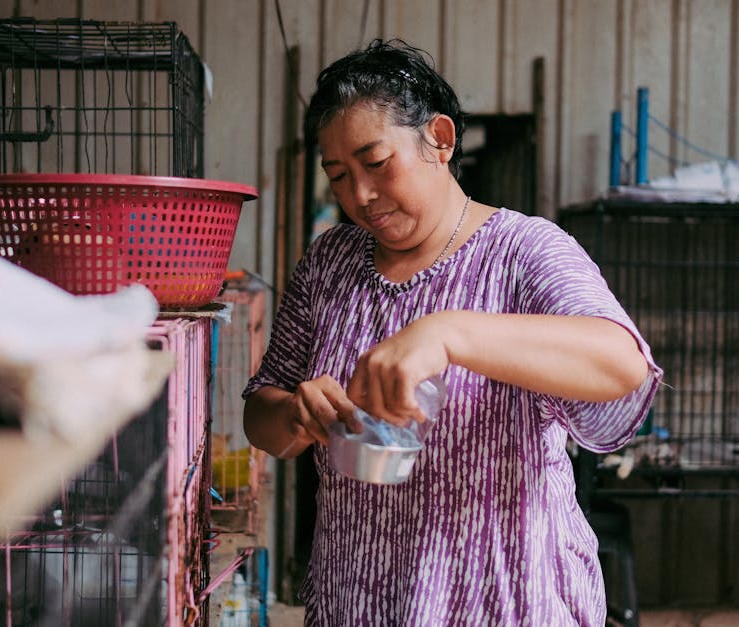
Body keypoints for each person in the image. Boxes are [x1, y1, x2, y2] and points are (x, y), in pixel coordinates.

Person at [243, 39, 662, 626]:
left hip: (504, 595)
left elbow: (623, 364)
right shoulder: (329, 261)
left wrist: (451, 332)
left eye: (376, 163)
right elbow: (261, 414)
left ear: (438, 139)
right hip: (358, 596)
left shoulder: (525, 250)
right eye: (338, 176)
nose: (359, 195)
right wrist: (296, 413)